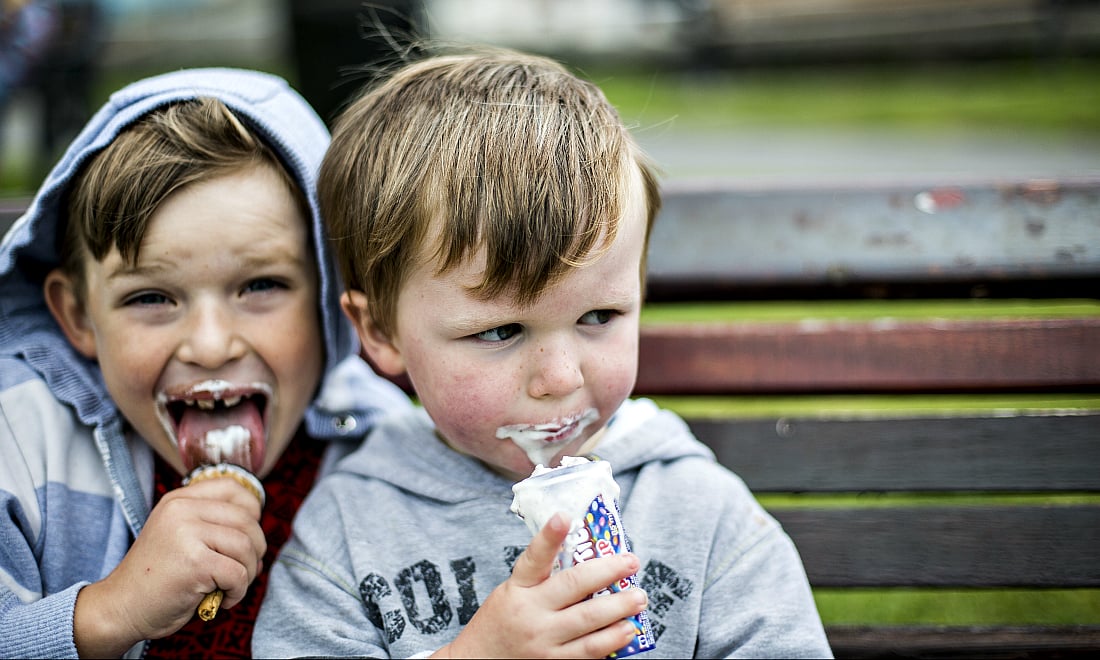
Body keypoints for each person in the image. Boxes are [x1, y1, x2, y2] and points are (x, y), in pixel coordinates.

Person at [253, 47, 832, 658]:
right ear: (381, 334)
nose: (560, 379)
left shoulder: (701, 513)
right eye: (500, 331)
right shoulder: (348, 527)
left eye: (598, 317)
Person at [0, 67, 412, 658]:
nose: (212, 345)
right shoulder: (16, 437)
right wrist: (106, 613)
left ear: (327, 292)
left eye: (261, 285)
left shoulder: (386, 454)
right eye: (151, 298)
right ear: (79, 316)